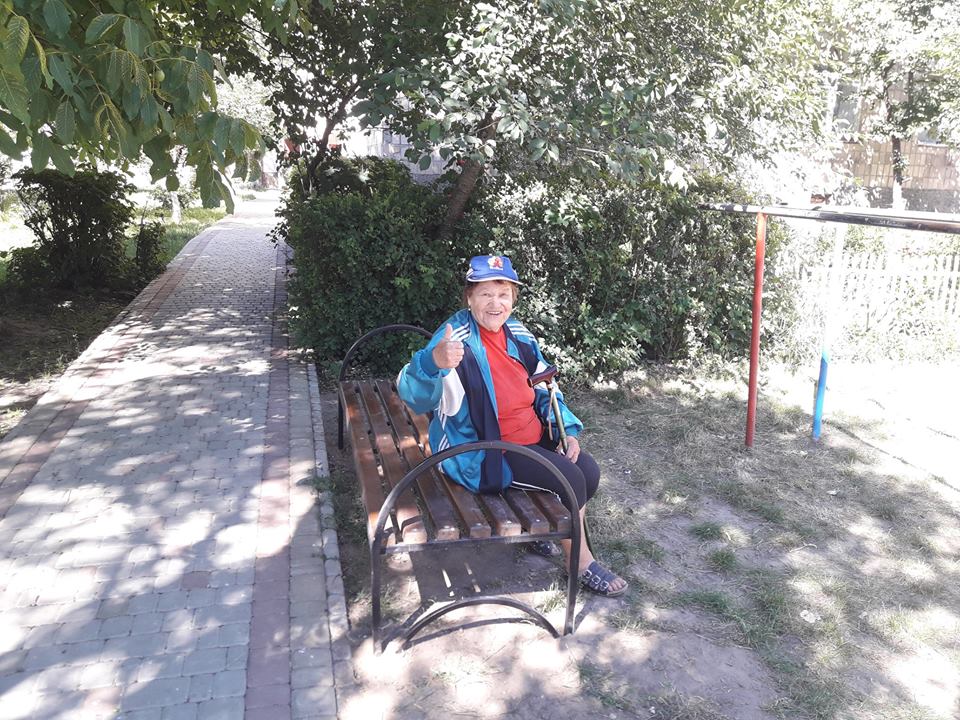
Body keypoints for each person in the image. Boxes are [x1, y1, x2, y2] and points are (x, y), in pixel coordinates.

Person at [397, 255, 627, 597]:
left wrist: (565, 431)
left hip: (529, 437)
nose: (496, 303)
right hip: (481, 450)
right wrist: (432, 362)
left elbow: (546, 386)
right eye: (486, 294)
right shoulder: (454, 338)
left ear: (514, 299)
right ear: (469, 297)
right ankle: (579, 562)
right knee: (570, 479)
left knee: (588, 471)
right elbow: (413, 395)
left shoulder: (518, 334)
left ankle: (540, 532)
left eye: (503, 294)